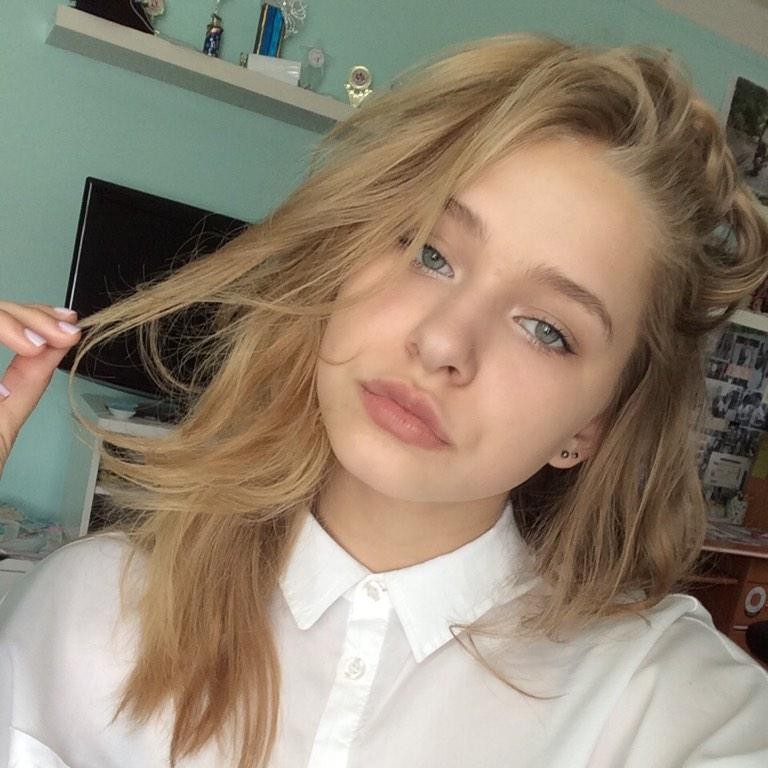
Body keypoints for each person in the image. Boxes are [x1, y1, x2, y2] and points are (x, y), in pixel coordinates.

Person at [2, 33, 768, 768]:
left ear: (592, 425)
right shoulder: (87, 608)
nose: (442, 343)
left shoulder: (657, 697)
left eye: (546, 329)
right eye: (431, 252)